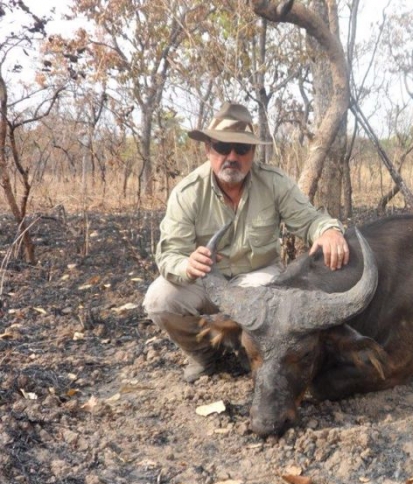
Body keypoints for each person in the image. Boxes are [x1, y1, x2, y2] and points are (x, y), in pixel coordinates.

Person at [143, 102, 349, 382]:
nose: (232, 156)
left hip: (258, 279)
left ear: (253, 152)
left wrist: (328, 231)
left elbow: (310, 220)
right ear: (207, 149)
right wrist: (187, 265)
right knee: (160, 300)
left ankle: (253, 355)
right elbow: (169, 255)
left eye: (241, 149)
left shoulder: (274, 182)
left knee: (270, 303)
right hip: (206, 280)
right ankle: (208, 356)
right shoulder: (187, 192)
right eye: (222, 147)